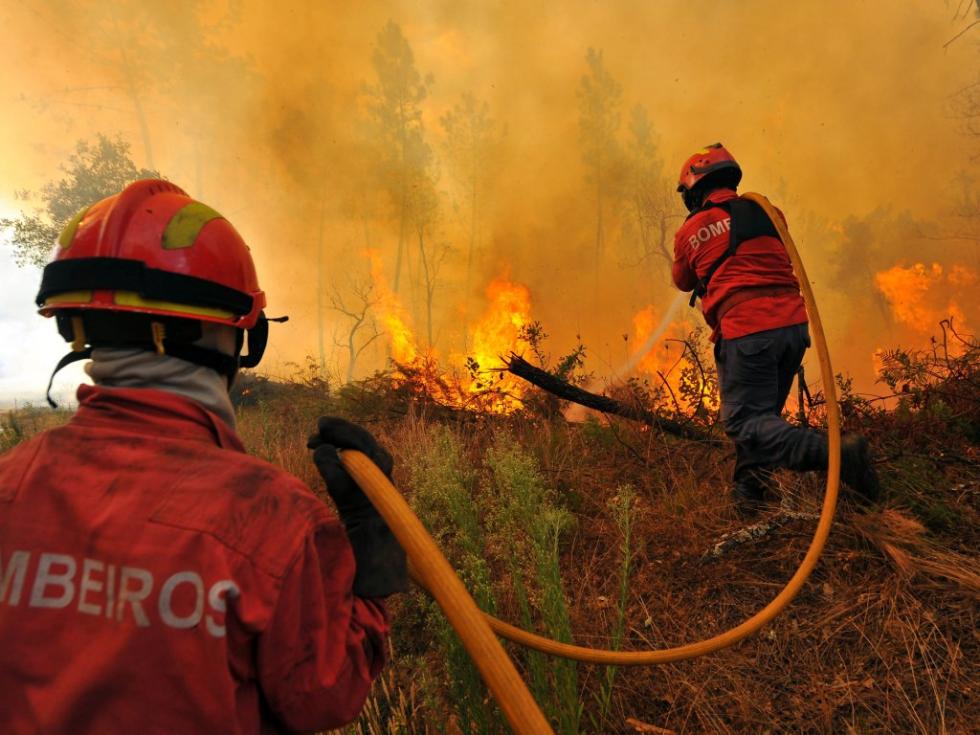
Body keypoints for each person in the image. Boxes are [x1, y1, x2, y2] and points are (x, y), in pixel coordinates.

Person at [0, 179, 406, 732]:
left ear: (76, 326)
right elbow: (324, 695)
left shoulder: (10, 484)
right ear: (235, 336)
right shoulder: (273, 519)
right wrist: (374, 556)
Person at [671, 144, 879, 513]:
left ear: (694, 188)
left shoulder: (691, 229)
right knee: (763, 417)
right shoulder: (770, 213)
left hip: (747, 330)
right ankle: (750, 493)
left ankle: (837, 453)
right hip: (792, 328)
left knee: (745, 420)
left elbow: (682, 280)